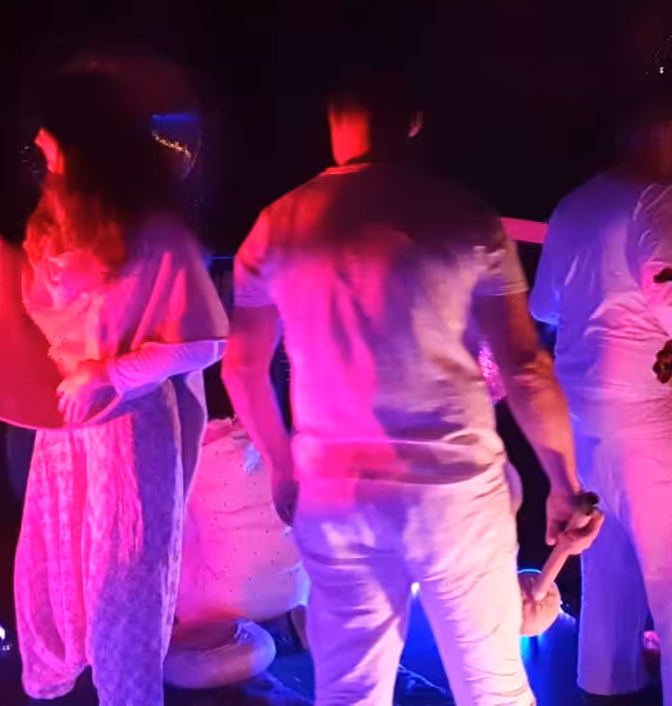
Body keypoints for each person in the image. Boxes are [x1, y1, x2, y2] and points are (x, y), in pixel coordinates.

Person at [221, 58, 601, 705]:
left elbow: (242, 367)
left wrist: (284, 471)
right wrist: (563, 484)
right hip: (454, 497)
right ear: (414, 121)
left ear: (333, 116)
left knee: (350, 692)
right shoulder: (466, 218)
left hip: (336, 496)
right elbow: (524, 365)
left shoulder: (276, 225)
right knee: (493, 688)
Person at [0, 70, 229, 705]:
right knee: (59, 583)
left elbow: (204, 342)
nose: (41, 156)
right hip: (66, 444)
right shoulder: (57, 228)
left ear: (81, 146)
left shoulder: (153, 235)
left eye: (49, 145)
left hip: (130, 441)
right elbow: (20, 280)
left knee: (124, 593)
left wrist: (109, 373)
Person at [528, 109, 672, 706]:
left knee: (606, 565)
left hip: (581, 416)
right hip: (652, 417)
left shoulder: (575, 203)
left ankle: (605, 687)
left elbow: (545, 307)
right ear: (669, 133)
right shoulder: (663, 198)